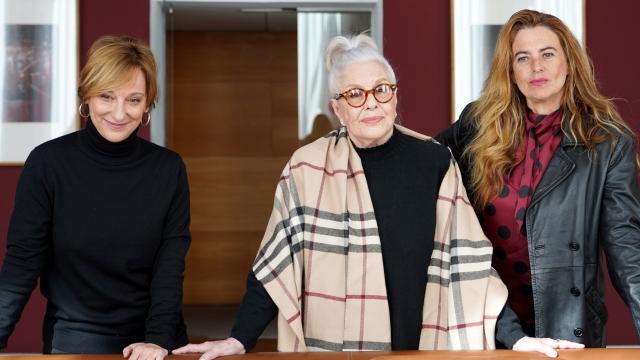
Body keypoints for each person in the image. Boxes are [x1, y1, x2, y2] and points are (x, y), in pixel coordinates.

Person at [174, 33, 510, 360]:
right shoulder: (306, 168)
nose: (371, 104)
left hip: (418, 346)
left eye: (381, 90)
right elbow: (277, 262)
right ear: (337, 107)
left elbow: (470, 261)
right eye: (354, 94)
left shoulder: (434, 160)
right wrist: (240, 337)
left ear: (394, 97)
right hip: (333, 349)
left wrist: (516, 338)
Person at [436, 9, 640, 350]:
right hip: (489, 321)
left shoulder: (607, 141)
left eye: (547, 54)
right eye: (522, 57)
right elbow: (420, 163)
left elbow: (626, 246)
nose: (536, 67)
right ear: (510, 70)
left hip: (568, 327)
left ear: (569, 63)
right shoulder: (477, 124)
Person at [0, 36, 191, 359]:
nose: (119, 112)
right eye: (106, 96)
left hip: (154, 339)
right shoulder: (48, 163)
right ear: (86, 96)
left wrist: (157, 340)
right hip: (75, 340)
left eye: (133, 100)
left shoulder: (168, 168)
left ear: (147, 104)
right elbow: (22, 262)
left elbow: (169, 264)